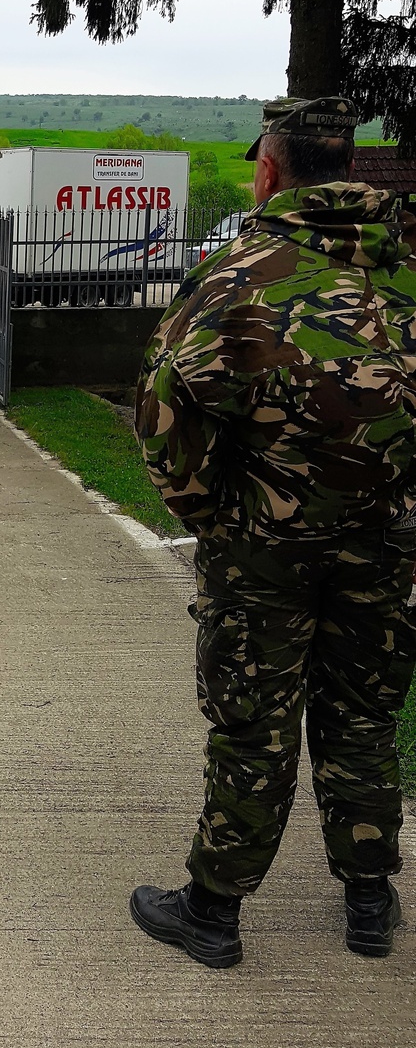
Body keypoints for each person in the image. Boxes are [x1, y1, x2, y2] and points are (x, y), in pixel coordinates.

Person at [130, 96, 416, 968]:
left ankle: (213, 912)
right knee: (364, 711)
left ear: (267, 169)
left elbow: (161, 409)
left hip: (264, 548)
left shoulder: (238, 274)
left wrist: (213, 513)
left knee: (253, 720)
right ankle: (369, 900)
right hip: (387, 540)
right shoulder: (402, 270)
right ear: (351, 167)